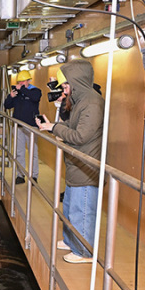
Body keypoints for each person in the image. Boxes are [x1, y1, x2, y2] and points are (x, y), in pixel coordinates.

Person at [36, 60, 104, 264]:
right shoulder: (81, 101)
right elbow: (72, 125)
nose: (64, 91)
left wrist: (54, 129)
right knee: (70, 207)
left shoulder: (92, 103)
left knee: (82, 209)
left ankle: (84, 251)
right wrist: (54, 124)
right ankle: (71, 240)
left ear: (77, 82)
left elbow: (81, 136)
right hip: (76, 164)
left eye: (66, 86)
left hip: (86, 166)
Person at [3, 69, 41, 185]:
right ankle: (20, 175)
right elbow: (7, 106)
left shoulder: (35, 91)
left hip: (32, 127)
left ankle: (34, 176)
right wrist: (11, 96)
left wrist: (23, 89)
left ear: (28, 81)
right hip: (18, 126)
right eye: (19, 82)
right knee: (19, 152)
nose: (20, 84)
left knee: (33, 153)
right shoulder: (17, 93)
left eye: (22, 82)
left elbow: (35, 98)